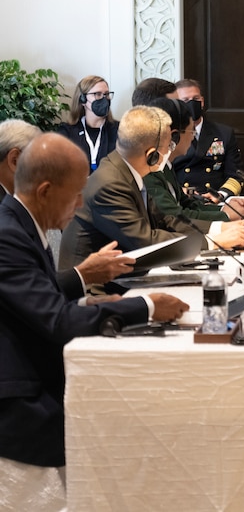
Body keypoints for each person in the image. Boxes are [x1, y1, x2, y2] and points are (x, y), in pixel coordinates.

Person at [0, 132, 187, 496]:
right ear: (45, 192)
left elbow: (34, 295)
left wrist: (88, 291)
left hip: (34, 370)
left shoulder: (19, 223)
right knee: (126, 427)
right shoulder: (8, 235)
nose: (81, 202)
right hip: (19, 400)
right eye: (75, 194)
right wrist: (147, 306)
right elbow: (57, 322)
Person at [59, 106, 244, 271]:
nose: (170, 151)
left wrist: (221, 228)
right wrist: (212, 242)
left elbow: (166, 220)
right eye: (168, 145)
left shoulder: (128, 171)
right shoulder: (110, 184)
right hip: (98, 291)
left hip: (126, 274)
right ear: (152, 155)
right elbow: (144, 240)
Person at [0, 119, 135, 296]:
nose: (78, 203)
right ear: (15, 160)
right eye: (40, 163)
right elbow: (30, 297)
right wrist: (83, 274)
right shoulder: (9, 220)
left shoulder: (13, 205)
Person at [145, 97, 244, 222]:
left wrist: (225, 209)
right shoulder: (151, 168)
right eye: (192, 131)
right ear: (175, 135)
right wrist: (225, 217)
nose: (193, 137)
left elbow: (187, 205)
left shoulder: (165, 165)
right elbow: (174, 216)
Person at [174, 79, 244, 199]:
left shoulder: (224, 133)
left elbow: (236, 174)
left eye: (196, 99)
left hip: (215, 200)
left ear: (202, 101)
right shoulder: (170, 134)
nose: (192, 104)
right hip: (181, 200)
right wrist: (178, 191)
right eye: (185, 100)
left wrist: (220, 195)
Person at [56, 75, 119, 172]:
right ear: (83, 99)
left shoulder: (120, 130)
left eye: (106, 94)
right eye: (97, 94)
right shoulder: (66, 132)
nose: (104, 99)